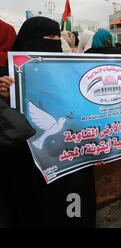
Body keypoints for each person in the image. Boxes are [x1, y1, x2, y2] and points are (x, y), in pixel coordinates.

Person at [3, 16, 97, 227]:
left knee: (74, 207)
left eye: (58, 36)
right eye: (49, 36)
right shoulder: (8, 76)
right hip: (29, 163)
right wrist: (5, 97)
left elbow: (85, 108)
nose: (55, 41)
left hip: (72, 157)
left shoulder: (70, 70)